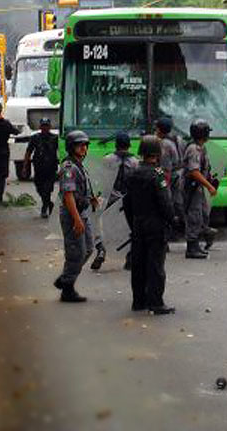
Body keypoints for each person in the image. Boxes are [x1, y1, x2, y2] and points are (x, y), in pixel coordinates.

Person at [124, 135, 175, 315]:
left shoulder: (132, 174)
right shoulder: (157, 175)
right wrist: (172, 220)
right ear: (157, 153)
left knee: (138, 264)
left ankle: (138, 301)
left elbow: (127, 203)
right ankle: (156, 302)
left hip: (138, 224)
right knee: (155, 265)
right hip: (155, 226)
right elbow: (165, 203)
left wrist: (133, 223)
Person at [54, 130, 98, 303]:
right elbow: (68, 195)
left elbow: (81, 189)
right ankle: (67, 288)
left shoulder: (79, 165)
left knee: (88, 249)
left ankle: (65, 279)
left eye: (85, 145)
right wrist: (77, 219)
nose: (84, 148)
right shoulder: (68, 168)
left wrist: (91, 200)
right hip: (72, 214)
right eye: (80, 145)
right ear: (71, 147)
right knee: (76, 252)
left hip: (82, 211)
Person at [92, 131, 139, 271]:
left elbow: (101, 179)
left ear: (116, 145)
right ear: (129, 145)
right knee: (131, 229)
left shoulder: (107, 159)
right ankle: (130, 257)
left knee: (99, 225)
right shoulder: (136, 162)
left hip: (110, 199)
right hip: (128, 201)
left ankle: (101, 249)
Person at [183, 119, 219, 259]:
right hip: (191, 187)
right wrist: (209, 186)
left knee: (201, 215)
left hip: (198, 187)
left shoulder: (200, 147)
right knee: (194, 216)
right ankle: (191, 248)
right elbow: (194, 171)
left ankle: (197, 244)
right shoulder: (193, 149)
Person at [155, 116, 185, 238]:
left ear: (160, 129)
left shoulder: (164, 145)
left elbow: (165, 169)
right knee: (178, 202)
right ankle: (181, 227)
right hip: (179, 174)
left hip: (169, 177)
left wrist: (163, 185)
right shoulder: (178, 138)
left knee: (167, 203)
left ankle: (170, 232)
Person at [23, 118, 59, 218]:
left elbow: (62, 151)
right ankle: (49, 203)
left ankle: (44, 207)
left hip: (51, 168)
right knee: (39, 188)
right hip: (38, 168)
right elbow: (28, 152)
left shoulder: (55, 138)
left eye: (46, 126)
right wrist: (25, 167)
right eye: (43, 126)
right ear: (40, 127)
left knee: (47, 189)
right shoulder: (35, 138)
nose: (45, 128)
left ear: (50, 127)